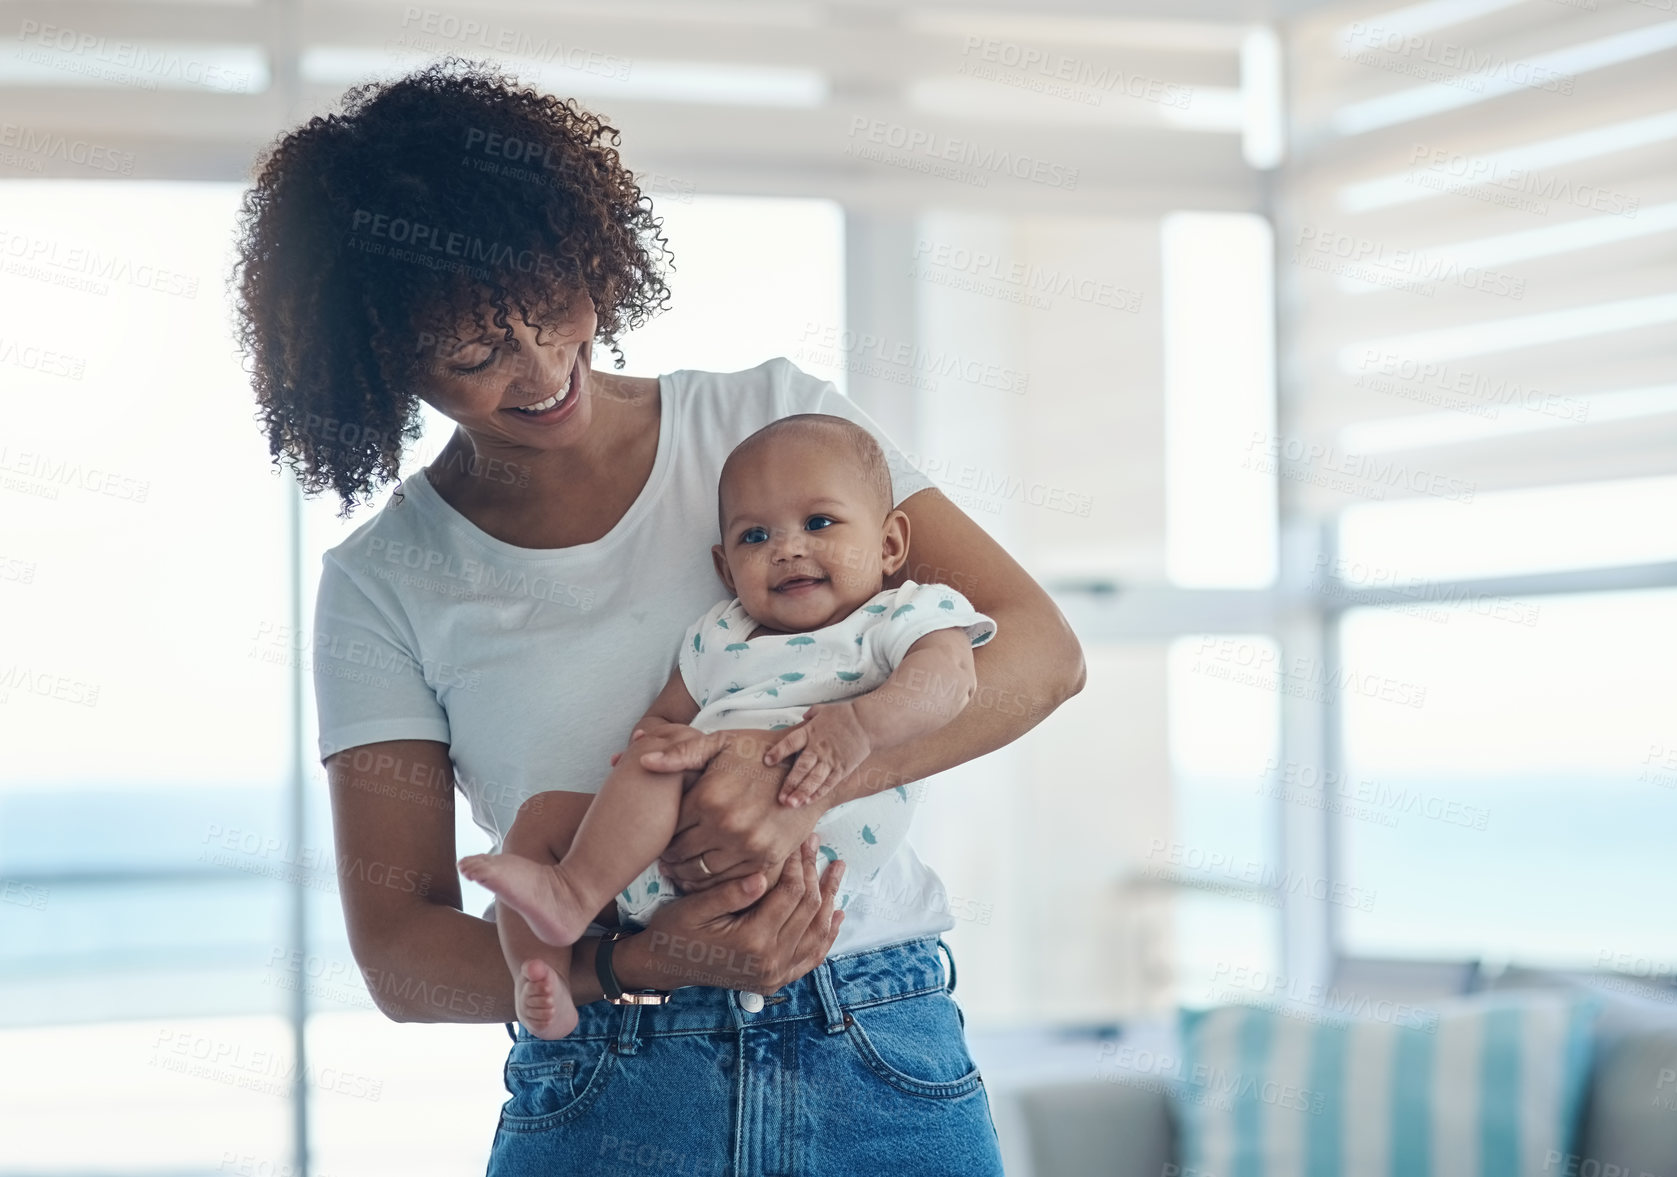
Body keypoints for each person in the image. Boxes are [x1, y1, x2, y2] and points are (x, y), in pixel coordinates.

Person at [234, 57, 1085, 1175]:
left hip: (878, 1044)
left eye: (552, 306)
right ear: (384, 364)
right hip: (609, 1078)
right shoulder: (385, 578)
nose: (543, 369)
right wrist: (636, 959)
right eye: (476, 353)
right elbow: (402, 954)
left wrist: (794, 783)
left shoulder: (777, 425)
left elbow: (1037, 651)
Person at [460, 413, 997, 1039]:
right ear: (724, 568)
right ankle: (551, 959)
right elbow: (662, 718)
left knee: (662, 771)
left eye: (819, 523)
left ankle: (576, 896)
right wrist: (666, 741)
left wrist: (860, 726)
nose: (787, 547)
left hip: (800, 865)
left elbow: (950, 681)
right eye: (754, 537)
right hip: (666, 867)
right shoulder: (721, 631)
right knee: (540, 818)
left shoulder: (898, 613)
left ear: (889, 545)